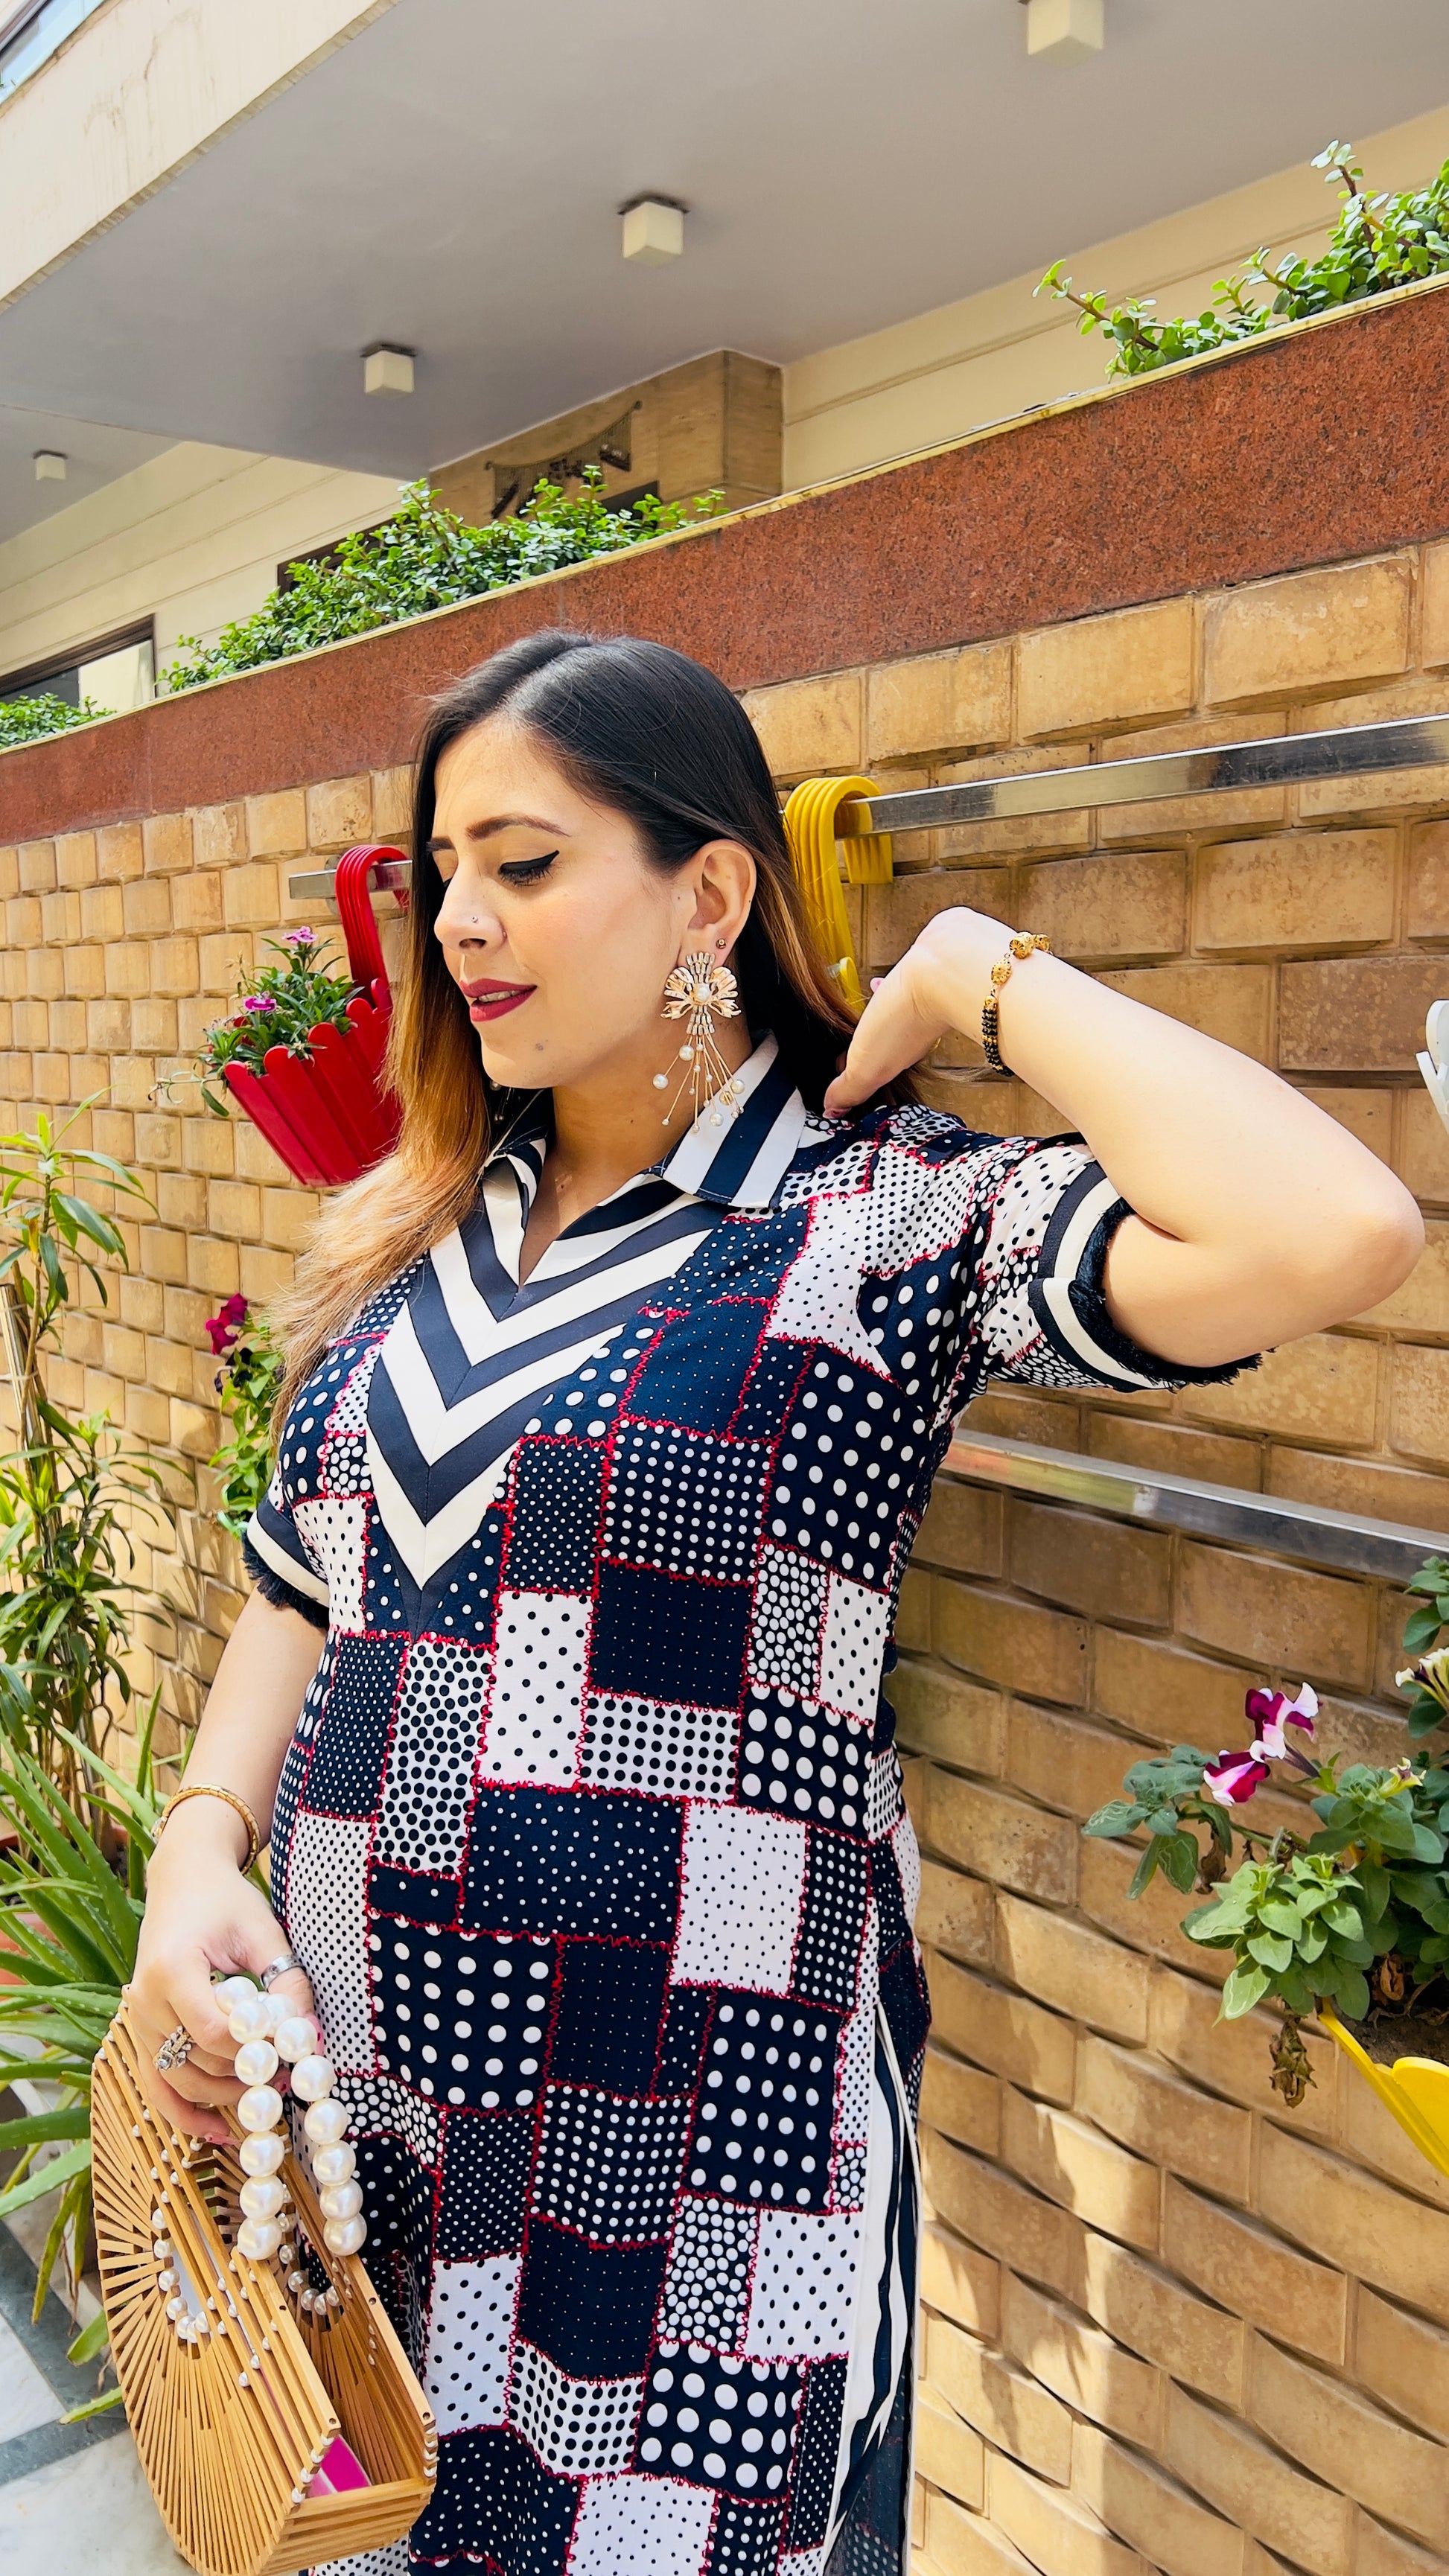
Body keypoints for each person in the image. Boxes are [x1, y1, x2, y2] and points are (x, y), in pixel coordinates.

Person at [130, 631, 1422, 2576]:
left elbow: (1329, 1226)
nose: (461, 921)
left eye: (524, 862)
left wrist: (978, 969)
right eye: (442, 871)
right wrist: (192, 1852)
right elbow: (299, 1586)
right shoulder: (426, 1227)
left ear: (710, 893)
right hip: (365, 2130)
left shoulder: (883, 1216)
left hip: (690, 2170)